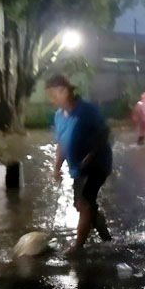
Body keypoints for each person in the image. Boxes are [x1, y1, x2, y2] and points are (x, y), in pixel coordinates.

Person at [46, 74, 112, 256]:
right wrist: (57, 167)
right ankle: (106, 237)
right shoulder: (59, 116)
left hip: (97, 164)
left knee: (83, 202)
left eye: (54, 94)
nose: (52, 99)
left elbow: (104, 132)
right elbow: (61, 143)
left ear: (65, 91)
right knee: (81, 204)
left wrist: (90, 155)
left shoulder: (87, 110)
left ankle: (78, 246)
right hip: (78, 167)